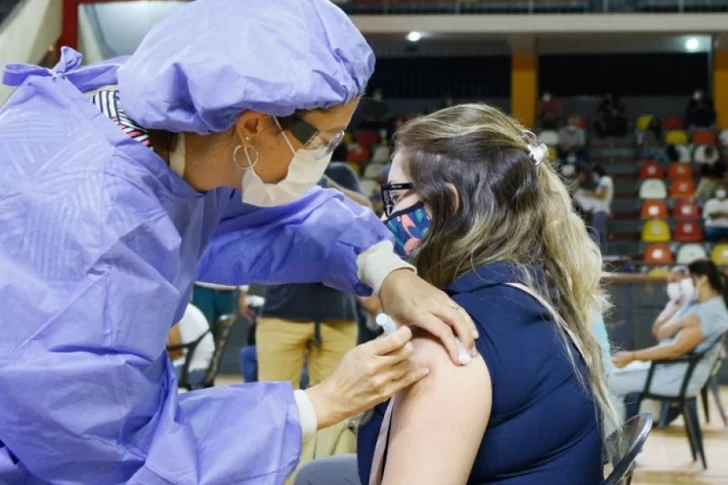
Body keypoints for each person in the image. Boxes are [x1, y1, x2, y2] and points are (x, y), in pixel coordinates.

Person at [0, 1, 480, 483]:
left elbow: (279, 219)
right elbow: (102, 457)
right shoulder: (90, 234)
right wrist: (316, 405)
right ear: (252, 125)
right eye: (323, 141)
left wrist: (383, 267)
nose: (323, 158)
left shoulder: (174, 120)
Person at [357, 104, 615, 485]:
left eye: (395, 197)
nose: (385, 218)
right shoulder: (530, 287)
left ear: (449, 202)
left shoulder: (450, 339)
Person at [610, 260, 728, 421]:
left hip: (679, 377)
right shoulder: (695, 304)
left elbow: (676, 349)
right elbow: (661, 333)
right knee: (610, 373)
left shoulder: (712, 312)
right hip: (668, 368)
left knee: (611, 383)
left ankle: (615, 443)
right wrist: (679, 320)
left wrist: (632, 356)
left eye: (690, 278)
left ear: (703, 279)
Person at [167, 303, 216, 388]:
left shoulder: (172, 309)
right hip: (206, 369)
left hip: (191, 371)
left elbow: (175, 353)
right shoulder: (188, 307)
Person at [575, 165, 614, 253]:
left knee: (595, 234)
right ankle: (604, 253)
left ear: (597, 173)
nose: (593, 177)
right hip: (601, 210)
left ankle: (595, 254)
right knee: (601, 234)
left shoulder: (605, 180)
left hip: (601, 210)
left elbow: (602, 195)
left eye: (594, 174)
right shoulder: (603, 181)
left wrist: (586, 194)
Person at [651, 267, 694, 341]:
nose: (671, 285)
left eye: (674, 281)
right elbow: (656, 331)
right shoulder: (672, 303)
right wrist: (677, 311)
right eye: (669, 282)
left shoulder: (697, 304)